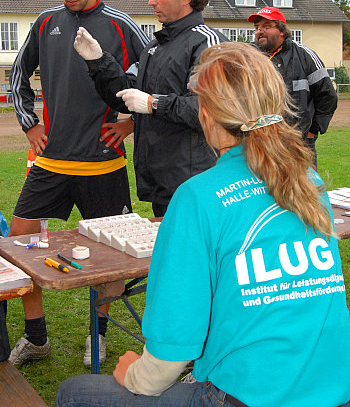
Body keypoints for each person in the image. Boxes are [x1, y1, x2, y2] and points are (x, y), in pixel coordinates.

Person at [56, 42, 350, 407]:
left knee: (73, 393)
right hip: (331, 389)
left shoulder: (199, 197)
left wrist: (133, 373)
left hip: (245, 397)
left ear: (206, 115)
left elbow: (170, 353)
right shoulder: (307, 179)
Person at [8, 0, 149, 367]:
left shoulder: (121, 24)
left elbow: (155, 76)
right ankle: (36, 339)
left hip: (103, 163)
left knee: (114, 258)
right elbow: (17, 73)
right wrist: (29, 122)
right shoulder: (46, 21)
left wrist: (130, 123)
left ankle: (99, 334)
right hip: (51, 163)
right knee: (17, 244)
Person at [74, 0, 227, 217]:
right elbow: (126, 96)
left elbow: (209, 109)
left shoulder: (207, 42)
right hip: (162, 181)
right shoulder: (154, 47)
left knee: (194, 255)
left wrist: (153, 103)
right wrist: (99, 62)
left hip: (195, 180)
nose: (150, 1)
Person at [248, 6, 337, 166]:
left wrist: (312, 131)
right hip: (260, 146)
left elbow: (327, 95)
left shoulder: (304, 55)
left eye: (266, 26)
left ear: (282, 31)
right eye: (257, 28)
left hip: (299, 144)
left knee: (303, 189)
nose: (260, 31)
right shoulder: (248, 58)